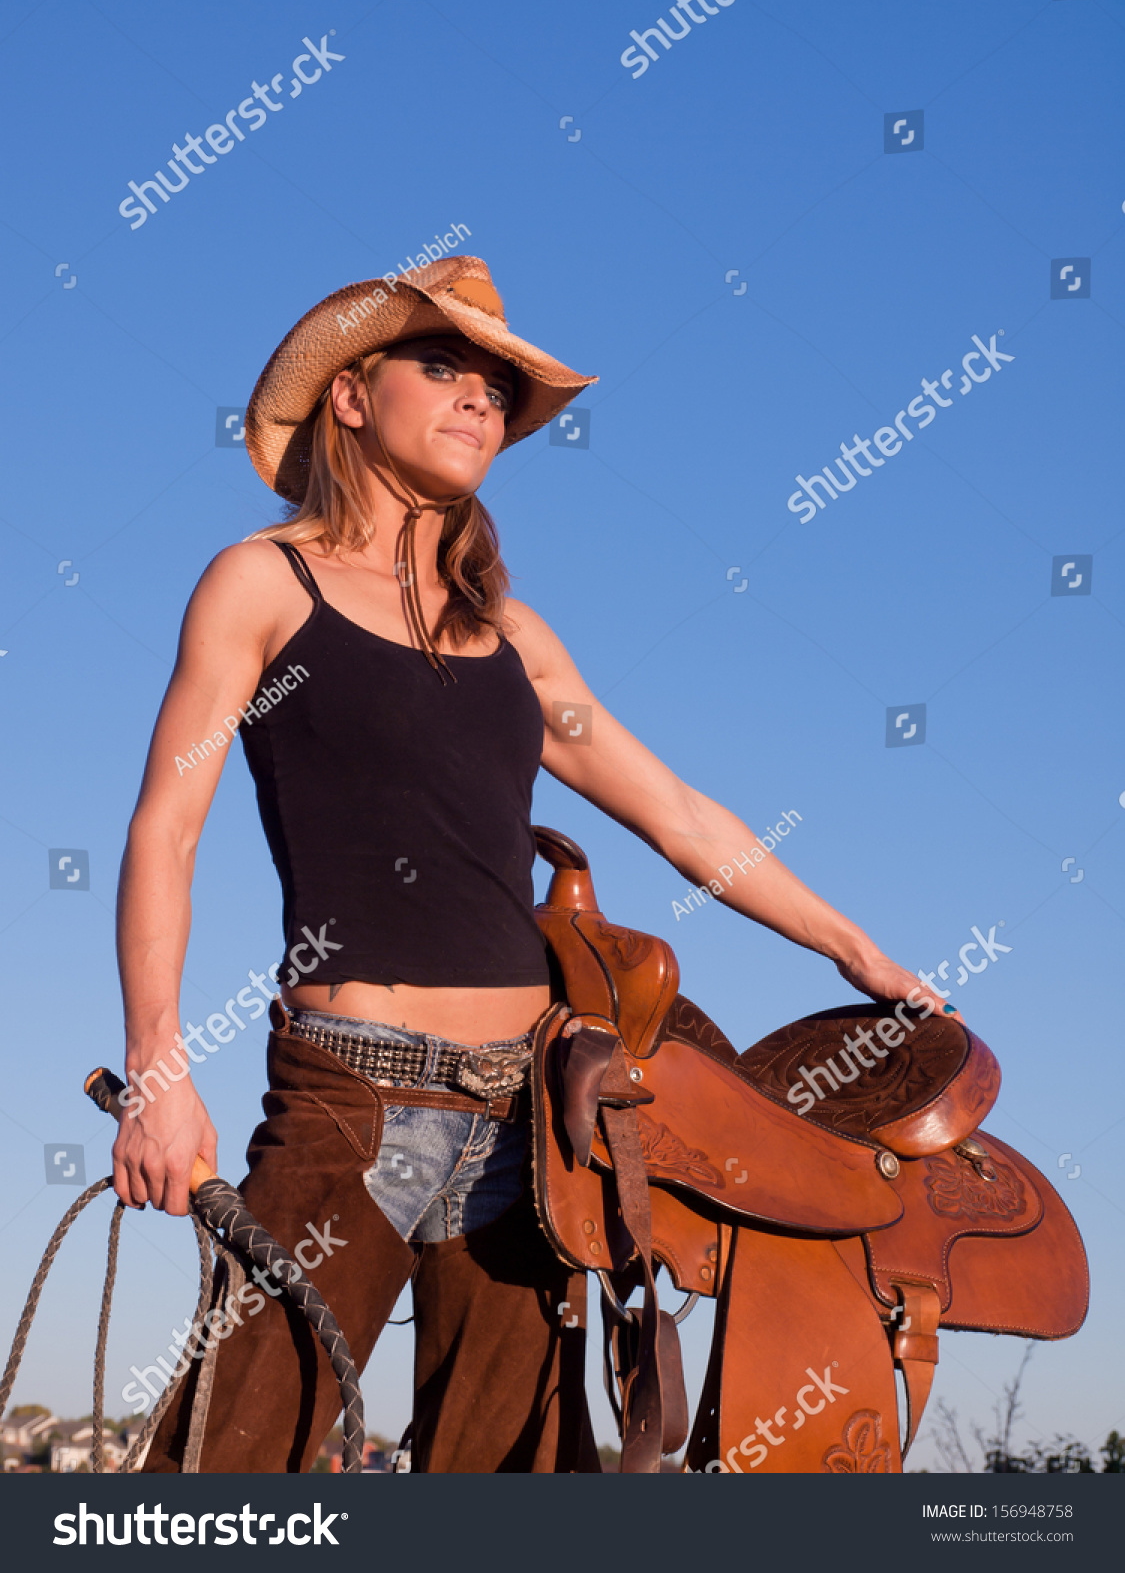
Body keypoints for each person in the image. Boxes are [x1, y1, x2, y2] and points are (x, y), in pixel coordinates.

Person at [112, 255, 950, 1472]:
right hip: (347, 1099)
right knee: (231, 1472)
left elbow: (679, 814)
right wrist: (156, 1063)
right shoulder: (262, 583)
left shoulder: (509, 633)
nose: (478, 402)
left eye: (497, 390)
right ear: (351, 396)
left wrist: (855, 947)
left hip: (532, 1120)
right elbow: (162, 831)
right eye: (442, 369)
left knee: (509, 1491)